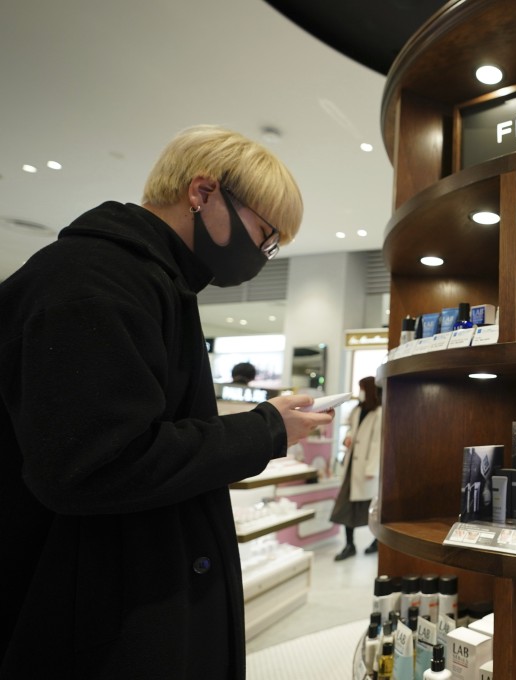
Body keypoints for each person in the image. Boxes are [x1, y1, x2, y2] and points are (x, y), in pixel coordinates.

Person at [0, 125, 335, 679]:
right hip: (88, 624)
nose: (262, 254)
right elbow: (97, 464)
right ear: (202, 193)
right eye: (264, 233)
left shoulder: (155, 282)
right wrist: (264, 429)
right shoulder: (94, 282)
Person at [331, 376, 382, 559]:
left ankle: (377, 541)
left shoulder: (379, 413)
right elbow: (352, 430)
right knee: (346, 506)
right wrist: (348, 437)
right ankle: (350, 544)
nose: (360, 392)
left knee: (373, 509)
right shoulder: (357, 410)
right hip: (352, 466)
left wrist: (371, 469)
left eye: (362, 388)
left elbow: (377, 443)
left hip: (366, 470)